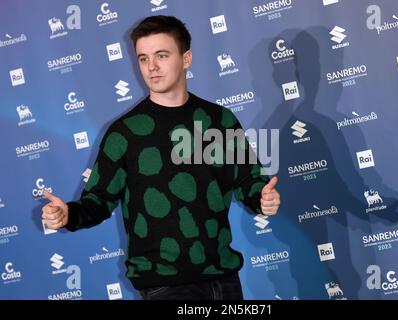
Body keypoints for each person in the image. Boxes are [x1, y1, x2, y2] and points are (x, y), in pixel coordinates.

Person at [41, 15, 280, 300]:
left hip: (224, 278)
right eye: (143, 58)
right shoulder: (125, 132)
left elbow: (247, 180)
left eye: (161, 55)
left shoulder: (219, 120)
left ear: (186, 58)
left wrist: (262, 199)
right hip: (164, 285)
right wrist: (70, 214)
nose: (151, 67)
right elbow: (99, 200)